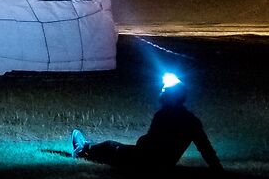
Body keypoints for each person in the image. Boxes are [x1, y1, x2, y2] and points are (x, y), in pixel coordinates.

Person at [72, 72, 221, 171]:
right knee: (113, 148)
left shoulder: (162, 116)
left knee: (109, 146)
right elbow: (205, 148)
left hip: (144, 162)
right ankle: (88, 148)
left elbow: (149, 144)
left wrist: (141, 145)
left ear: (169, 96)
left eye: (164, 90)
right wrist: (218, 169)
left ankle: (83, 150)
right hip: (163, 164)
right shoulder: (191, 120)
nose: (161, 92)